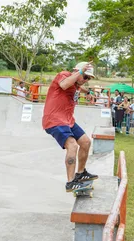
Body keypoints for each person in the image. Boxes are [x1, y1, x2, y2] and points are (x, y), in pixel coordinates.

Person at [42, 62, 98, 192]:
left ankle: (80, 173)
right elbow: (64, 84)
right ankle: (70, 182)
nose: (86, 80)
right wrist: (79, 72)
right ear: (77, 72)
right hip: (54, 120)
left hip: (68, 121)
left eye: (88, 79)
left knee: (85, 142)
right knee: (72, 145)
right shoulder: (64, 75)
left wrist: (88, 91)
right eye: (85, 77)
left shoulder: (76, 84)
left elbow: (77, 87)